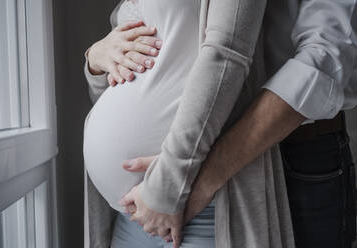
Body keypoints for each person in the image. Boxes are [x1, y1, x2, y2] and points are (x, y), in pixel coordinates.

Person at [110, 1, 357, 247]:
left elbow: (325, 60)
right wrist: (100, 55)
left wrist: (198, 176)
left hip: (290, 154)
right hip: (161, 184)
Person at [83, 0, 295, 248]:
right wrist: (96, 61)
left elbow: (227, 56)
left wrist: (166, 187)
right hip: (128, 217)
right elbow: (119, 82)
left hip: (200, 209)